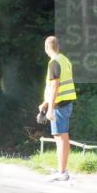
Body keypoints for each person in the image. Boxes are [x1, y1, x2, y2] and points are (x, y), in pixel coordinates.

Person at [38, 36, 76, 182]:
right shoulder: (65, 60)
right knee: (62, 137)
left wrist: (50, 109)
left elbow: (55, 86)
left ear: (46, 48)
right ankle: (62, 169)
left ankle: (62, 172)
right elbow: (54, 87)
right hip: (65, 103)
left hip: (60, 105)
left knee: (60, 138)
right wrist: (45, 103)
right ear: (58, 46)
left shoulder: (54, 63)